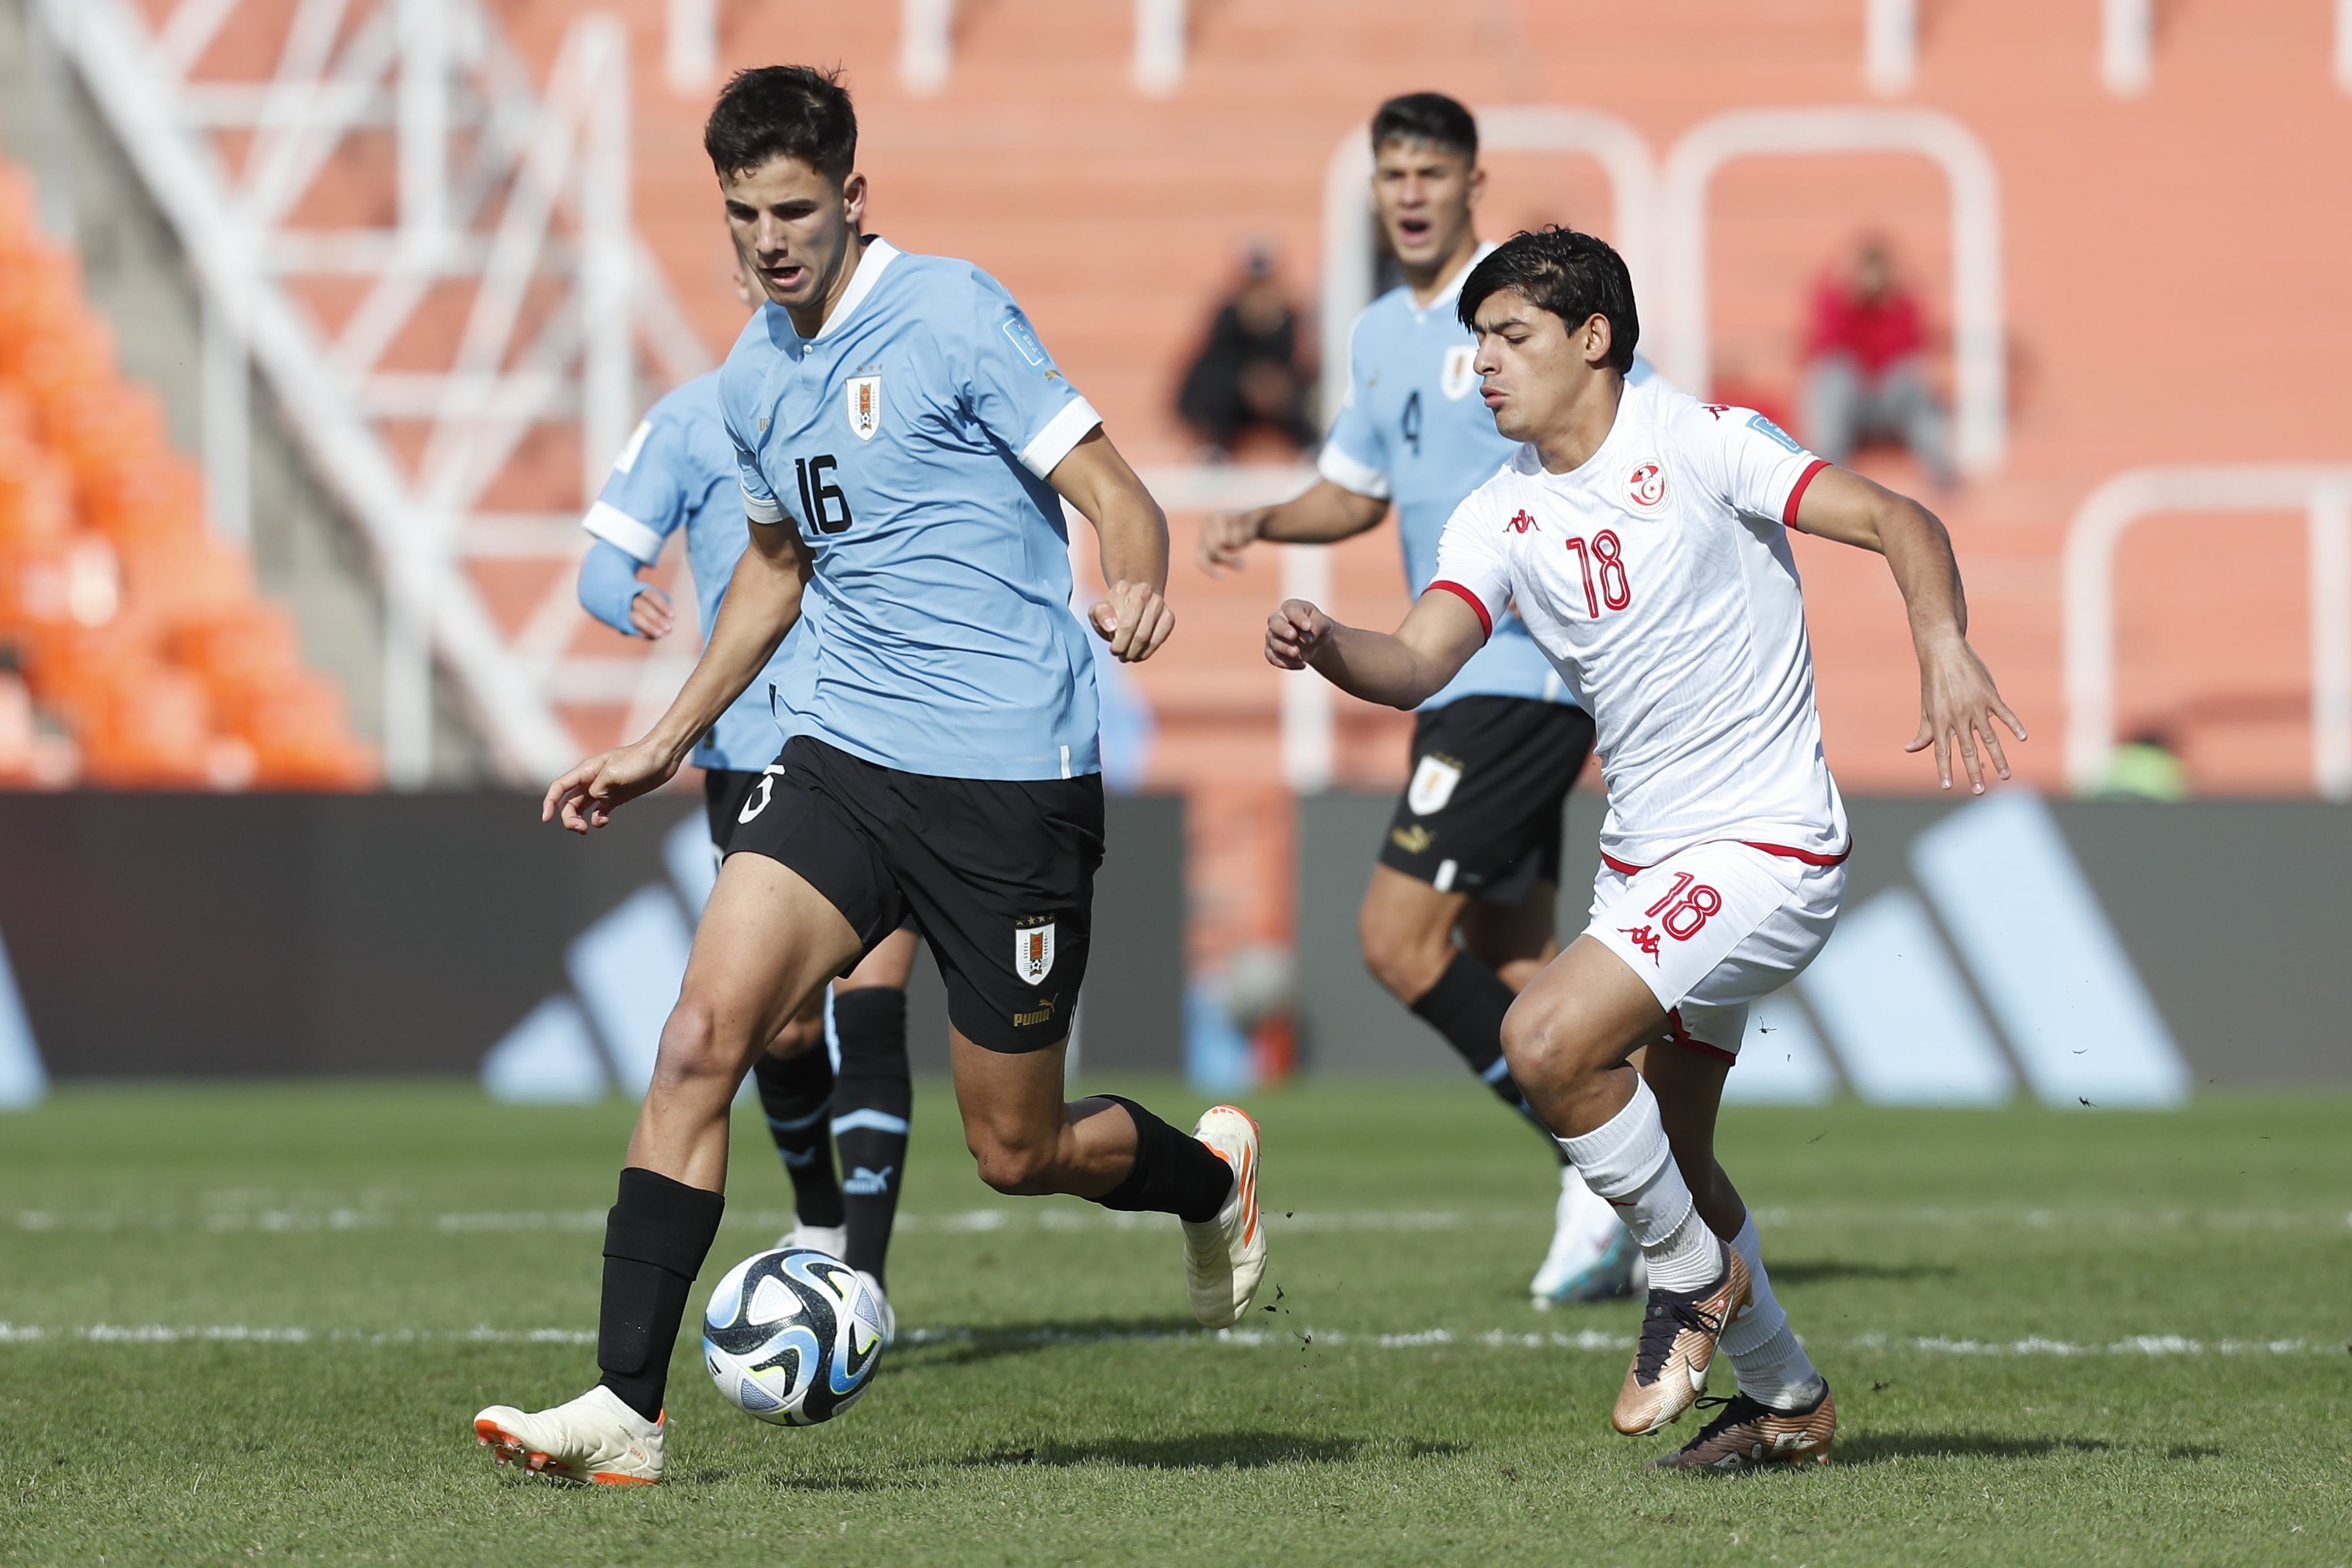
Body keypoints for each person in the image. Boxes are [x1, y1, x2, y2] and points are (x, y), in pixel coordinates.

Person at [474, 65, 1264, 1487]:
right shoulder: (748, 377)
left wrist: (1139, 585)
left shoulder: (954, 311)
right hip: (838, 757)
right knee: (697, 1035)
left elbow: (1116, 494)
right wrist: (662, 741)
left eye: (791, 208)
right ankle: (623, 1404)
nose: (767, 239)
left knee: (1015, 1149)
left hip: (1011, 788)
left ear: (851, 197)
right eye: (740, 214)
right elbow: (776, 569)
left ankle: (1209, 1183)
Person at [1265, 226, 2023, 1469]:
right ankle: (1788, 1398)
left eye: (1511, 339)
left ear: (1594, 338)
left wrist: (1942, 641)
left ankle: (1685, 1279)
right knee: (1673, 1156)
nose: (1487, 368)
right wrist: (1329, 639)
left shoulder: (1699, 439)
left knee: (1543, 1038)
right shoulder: (1501, 511)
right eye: (1478, 343)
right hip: (1651, 863)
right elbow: (1415, 662)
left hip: (1766, 847)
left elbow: (1897, 515)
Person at [1199, 92, 1634, 1307]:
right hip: (1454, 670)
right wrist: (1266, 517)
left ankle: (1599, 1162)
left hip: (1516, 668)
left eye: (1428, 171)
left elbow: (1619, 421)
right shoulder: (1383, 331)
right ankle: (1622, 1166)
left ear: (1469, 181)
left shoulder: (1517, 313)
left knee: (1396, 939)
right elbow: (1359, 486)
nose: (1407, 192)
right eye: (1390, 171)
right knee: (1513, 955)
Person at [574, 257, 918, 1318]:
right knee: (778, 1028)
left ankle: (861, 1269)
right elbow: (603, 553)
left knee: (872, 999)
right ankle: (816, 1214)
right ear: (736, 277)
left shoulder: (884, 397)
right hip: (739, 753)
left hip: (871, 733)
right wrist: (618, 594)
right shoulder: (692, 418)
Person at [1800, 238, 1955, 489]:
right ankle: (1826, 470)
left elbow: (1914, 351)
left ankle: (1942, 468)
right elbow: (1822, 344)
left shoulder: (1902, 308)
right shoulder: (1838, 306)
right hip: (1851, 405)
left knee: (1913, 377)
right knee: (1834, 376)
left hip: (1891, 405)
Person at [1175, 242, 1316, 457]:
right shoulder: (1227, 315)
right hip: (1234, 394)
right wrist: (1249, 381)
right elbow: (1215, 362)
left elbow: (1292, 361)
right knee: (1215, 387)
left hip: (1274, 392)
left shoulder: (1287, 316)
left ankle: (1310, 447)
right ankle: (1214, 446)